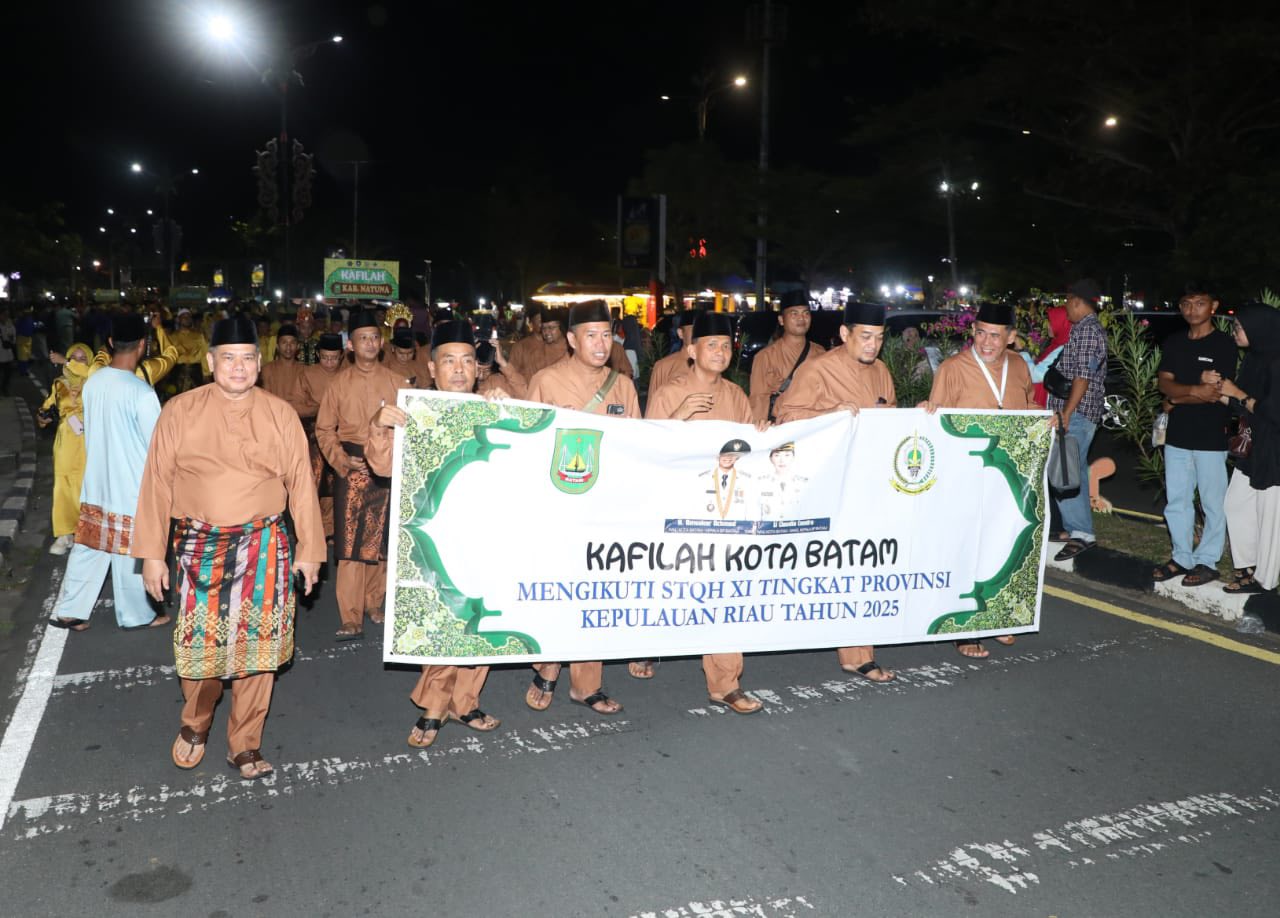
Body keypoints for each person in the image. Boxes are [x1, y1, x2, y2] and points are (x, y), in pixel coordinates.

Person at [134, 315, 323, 780]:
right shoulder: (179, 410)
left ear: (259, 363)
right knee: (201, 647)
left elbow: (302, 484)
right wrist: (152, 555)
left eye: (246, 359)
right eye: (228, 358)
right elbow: (156, 483)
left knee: (260, 651)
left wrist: (311, 551)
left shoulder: (280, 413)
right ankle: (195, 723)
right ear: (210, 361)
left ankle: (245, 742)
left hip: (264, 544)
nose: (238, 368)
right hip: (199, 547)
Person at [365, 320, 502, 748]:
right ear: (432, 366)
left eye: (467, 361)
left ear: (477, 369)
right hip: (434, 535)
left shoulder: (494, 407)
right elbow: (383, 468)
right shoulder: (415, 414)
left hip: (485, 533)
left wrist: (507, 409)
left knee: (479, 617)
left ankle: (467, 700)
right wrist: (380, 426)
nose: (459, 370)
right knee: (441, 617)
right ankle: (435, 705)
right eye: (449, 361)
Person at [642, 312, 765, 713]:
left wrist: (762, 436)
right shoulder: (668, 393)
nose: (721, 352)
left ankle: (725, 682)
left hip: (723, 512)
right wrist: (678, 419)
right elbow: (647, 453)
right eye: (711, 344)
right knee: (670, 593)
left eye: (727, 346)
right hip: (676, 516)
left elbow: (750, 455)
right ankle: (642, 645)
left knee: (724, 593)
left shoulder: (736, 395)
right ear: (691, 350)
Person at [773, 301, 897, 684]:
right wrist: (829, 413)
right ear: (845, 335)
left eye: (878, 338)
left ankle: (858, 653)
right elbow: (784, 416)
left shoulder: (881, 372)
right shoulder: (817, 369)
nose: (873, 345)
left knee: (863, 567)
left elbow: (890, 417)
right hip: (824, 485)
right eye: (865, 337)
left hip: (867, 485)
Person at [525, 299, 640, 715]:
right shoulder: (545, 380)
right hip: (557, 505)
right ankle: (549, 662)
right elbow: (528, 442)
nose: (600, 343)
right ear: (571, 339)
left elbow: (636, 448)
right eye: (591, 335)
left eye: (607, 335)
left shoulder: (623, 386)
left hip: (604, 507)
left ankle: (586, 683)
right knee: (558, 588)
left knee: (593, 593)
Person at [919, 302, 1035, 657]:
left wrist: (1045, 420)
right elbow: (937, 423)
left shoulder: (1018, 366)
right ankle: (963, 627)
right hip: (964, 476)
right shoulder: (954, 368)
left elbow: (1027, 406)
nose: (985, 342)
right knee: (964, 549)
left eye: (995, 335)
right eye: (980, 332)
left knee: (1000, 546)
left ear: (1011, 338)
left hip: (1005, 479)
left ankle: (995, 618)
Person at [48, 314, 168, 631]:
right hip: (129, 483)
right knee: (130, 549)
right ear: (143, 346)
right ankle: (136, 614)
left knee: (90, 546)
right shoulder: (141, 392)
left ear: (111, 343)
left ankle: (71, 610)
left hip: (97, 481)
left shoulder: (94, 382)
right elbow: (157, 446)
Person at [315, 310, 414, 640]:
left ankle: (375, 603)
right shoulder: (338, 384)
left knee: (384, 539)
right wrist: (342, 460)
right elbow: (324, 429)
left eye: (374, 337)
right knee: (351, 542)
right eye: (363, 339)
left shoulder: (399, 382)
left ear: (381, 342)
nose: (370, 343)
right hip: (353, 466)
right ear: (350, 346)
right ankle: (350, 615)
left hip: (388, 465)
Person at [1151, 289, 1238, 588]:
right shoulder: (1175, 341)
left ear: (1214, 306)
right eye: (1186, 303)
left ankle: (1208, 561)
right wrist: (1193, 390)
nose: (1192, 309)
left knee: (1213, 503)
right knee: (1177, 501)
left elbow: (1215, 393)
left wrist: (1177, 399)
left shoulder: (1224, 344)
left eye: (1200, 303)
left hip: (1211, 436)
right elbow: (1164, 383)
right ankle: (1182, 556)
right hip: (1177, 436)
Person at [1046, 280, 1108, 562]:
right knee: (1075, 471)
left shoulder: (1086, 331)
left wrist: (1067, 413)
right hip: (1081, 413)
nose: (1064, 309)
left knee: (1065, 473)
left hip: (1078, 414)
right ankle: (1081, 532)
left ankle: (1080, 533)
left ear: (1076, 301)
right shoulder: (1086, 329)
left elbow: (1082, 377)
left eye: (1066, 302)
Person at [1220, 306, 1280, 594]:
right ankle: (1249, 566)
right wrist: (1220, 388)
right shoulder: (1254, 359)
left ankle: (1265, 582)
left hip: (1273, 450)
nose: (1235, 332)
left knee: (1270, 517)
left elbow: (1273, 411)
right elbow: (1238, 406)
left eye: (1239, 327)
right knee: (1235, 503)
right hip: (1251, 447)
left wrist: (1237, 394)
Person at [39, 342, 93, 555]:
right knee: (62, 485)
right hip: (64, 441)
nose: (77, 362)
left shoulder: (94, 381)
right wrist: (43, 417)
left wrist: (66, 361)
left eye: (82, 358)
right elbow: (45, 409)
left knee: (85, 485)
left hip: (90, 439)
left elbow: (92, 372)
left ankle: (87, 530)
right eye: (74, 357)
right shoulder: (58, 384)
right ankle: (64, 533)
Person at [748, 292, 826, 423]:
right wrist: (759, 430)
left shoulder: (820, 353)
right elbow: (758, 399)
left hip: (814, 424)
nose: (801, 318)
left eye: (806, 313)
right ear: (781, 320)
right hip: (782, 427)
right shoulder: (765, 357)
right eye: (794, 314)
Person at [297, 333, 346, 539]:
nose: (329, 362)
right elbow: (296, 405)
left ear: (342, 356)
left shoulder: (348, 374)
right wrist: (323, 409)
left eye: (334, 358)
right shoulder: (307, 374)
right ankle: (314, 531)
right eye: (325, 357)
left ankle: (334, 529)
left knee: (338, 484)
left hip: (342, 436)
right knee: (316, 483)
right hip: (315, 437)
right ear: (318, 354)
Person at [258, 323, 309, 414]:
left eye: (292, 343)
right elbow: (265, 400)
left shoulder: (305, 371)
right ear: (277, 346)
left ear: (298, 346)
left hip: (298, 419)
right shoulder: (267, 370)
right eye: (284, 342)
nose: (288, 347)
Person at [648, 310, 698, 398]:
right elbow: (653, 407)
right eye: (695, 329)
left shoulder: (713, 365)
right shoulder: (664, 367)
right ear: (680, 333)